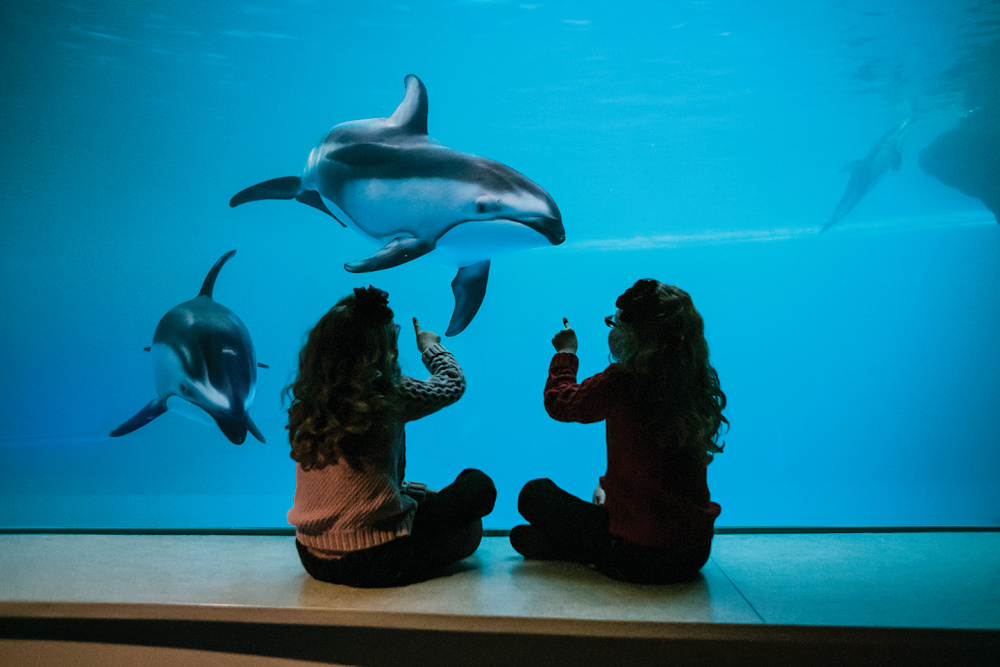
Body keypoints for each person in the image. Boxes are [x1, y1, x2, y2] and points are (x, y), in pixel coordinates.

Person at [511, 279, 727, 584]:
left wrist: (566, 354)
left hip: (638, 555)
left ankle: (581, 550)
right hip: (692, 553)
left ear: (634, 337)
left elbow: (559, 402)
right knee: (585, 510)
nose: (611, 330)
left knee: (534, 494)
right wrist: (609, 493)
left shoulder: (622, 382)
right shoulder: (696, 383)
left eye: (615, 322)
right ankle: (576, 547)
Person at [285, 286, 496, 588]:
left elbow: (361, 482)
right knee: (477, 488)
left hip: (312, 557)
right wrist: (430, 347)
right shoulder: (390, 394)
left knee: (451, 513)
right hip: (375, 559)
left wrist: (416, 493)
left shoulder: (307, 406)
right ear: (384, 348)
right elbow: (452, 384)